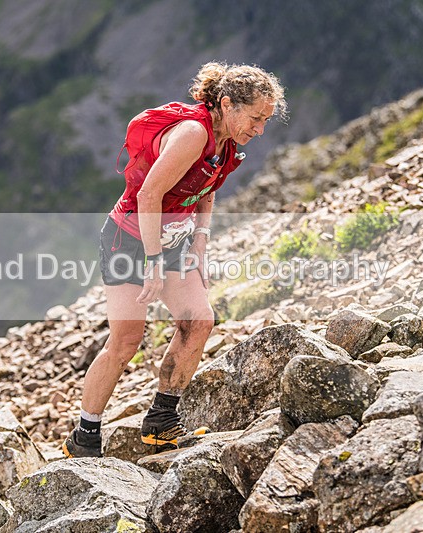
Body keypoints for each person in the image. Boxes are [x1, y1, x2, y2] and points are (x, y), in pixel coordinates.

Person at [63, 62, 286, 458]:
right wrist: (152, 260)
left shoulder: (227, 142)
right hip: (130, 241)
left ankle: (161, 420)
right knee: (126, 342)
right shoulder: (192, 133)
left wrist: (200, 238)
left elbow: (207, 185)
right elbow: (149, 196)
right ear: (229, 104)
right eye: (256, 118)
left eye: (267, 120)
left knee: (198, 320)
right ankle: (85, 435)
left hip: (174, 242)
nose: (260, 129)